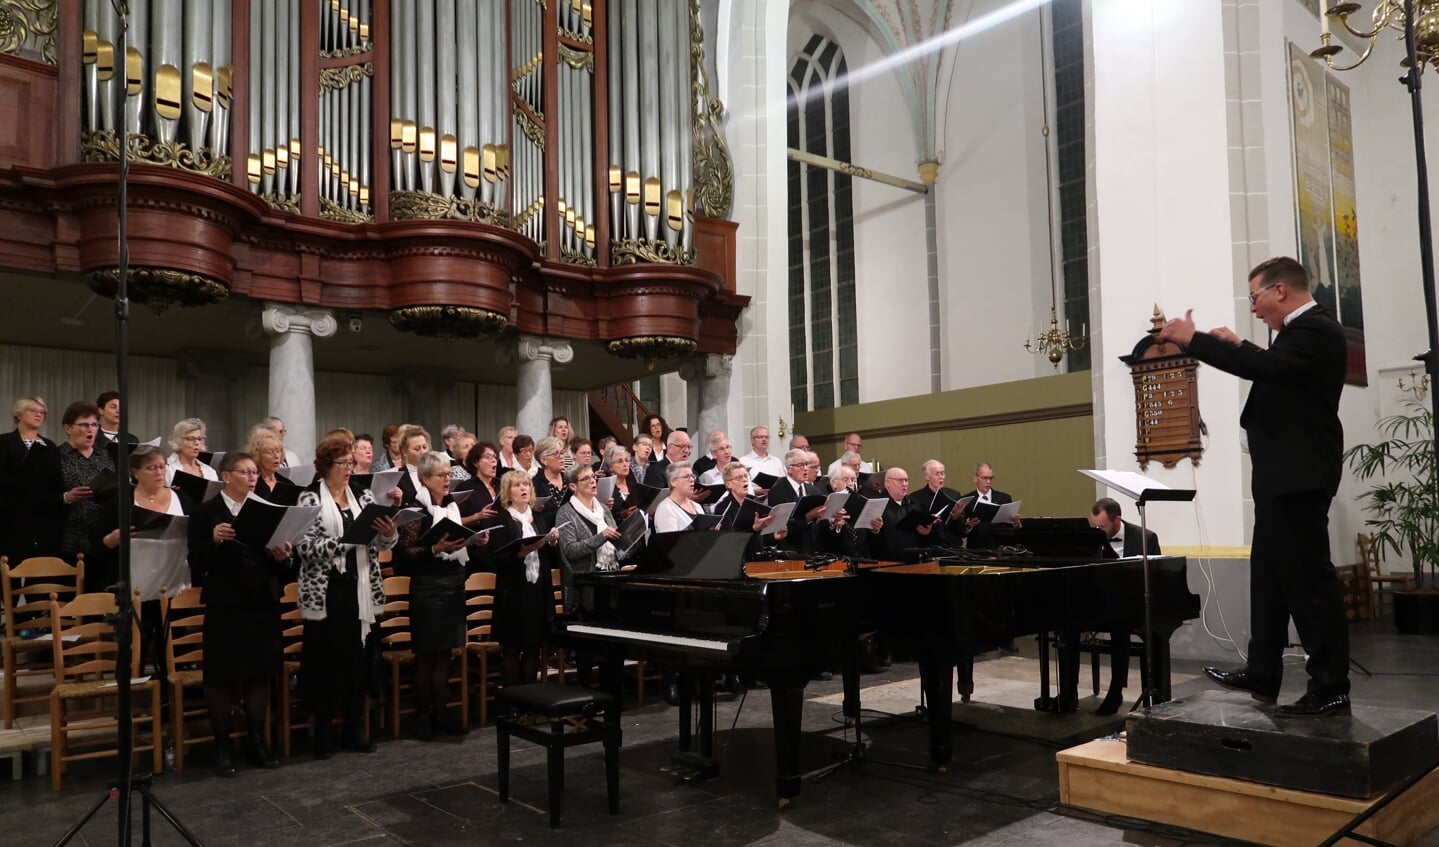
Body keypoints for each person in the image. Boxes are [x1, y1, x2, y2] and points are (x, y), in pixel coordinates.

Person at [1158, 256, 1350, 717]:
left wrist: (1196, 341)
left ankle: (1329, 686)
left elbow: (1269, 369)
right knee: (1270, 579)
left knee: (1307, 584)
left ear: (1280, 290)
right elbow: (1273, 365)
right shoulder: (1296, 335)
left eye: (1256, 297)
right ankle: (1262, 672)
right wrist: (1240, 343)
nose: (1255, 307)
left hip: (1299, 475)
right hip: (1282, 475)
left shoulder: (1318, 329)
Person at [294, 430, 398, 757]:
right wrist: (344, 542)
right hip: (327, 590)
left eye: (352, 463)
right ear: (327, 464)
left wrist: (389, 534)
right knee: (327, 662)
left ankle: (354, 728)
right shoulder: (309, 498)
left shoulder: (362, 497)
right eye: (344, 463)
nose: (350, 469)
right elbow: (305, 547)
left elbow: (379, 544)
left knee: (357, 662)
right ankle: (324, 731)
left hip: (360, 586)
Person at [188, 451, 291, 775]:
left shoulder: (265, 509)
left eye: (254, 473)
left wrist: (282, 556)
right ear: (225, 475)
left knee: (259, 676)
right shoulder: (206, 513)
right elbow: (195, 564)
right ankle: (222, 746)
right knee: (221, 678)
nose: (252, 478)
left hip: (261, 601)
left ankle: (256, 741)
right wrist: (214, 541)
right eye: (245, 472)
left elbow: (285, 567)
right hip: (225, 604)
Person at [393, 451, 485, 739]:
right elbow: (402, 555)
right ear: (424, 479)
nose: (447, 480)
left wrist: (473, 539)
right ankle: (423, 719)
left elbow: (455, 543)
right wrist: (435, 549)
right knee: (426, 657)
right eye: (441, 476)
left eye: (448, 475)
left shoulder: (451, 505)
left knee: (445, 656)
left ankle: (441, 713)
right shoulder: (414, 509)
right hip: (428, 588)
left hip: (453, 585)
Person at [1081, 497, 1162, 715]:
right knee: (1067, 628)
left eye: (1102, 526)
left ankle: (1117, 692)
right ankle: (1068, 696)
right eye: (1095, 525)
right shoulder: (1094, 538)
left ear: (1117, 519)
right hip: (1104, 602)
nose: (1098, 530)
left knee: (1120, 628)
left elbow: (1157, 577)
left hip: (1135, 605)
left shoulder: (1146, 538)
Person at [493, 470, 559, 686]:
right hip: (512, 591)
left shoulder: (538, 517)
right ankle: (513, 702)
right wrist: (519, 554)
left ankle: (530, 700)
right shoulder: (503, 518)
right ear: (507, 491)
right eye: (517, 485)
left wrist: (551, 542)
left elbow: (549, 557)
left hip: (537, 590)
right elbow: (497, 559)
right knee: (512, 649)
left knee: (534, 647)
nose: (523, 488)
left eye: (526, 485)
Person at [56, 400, 115, 590]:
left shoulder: (105, 456)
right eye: (84, 425)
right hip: (71, 537)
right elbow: (40, 497)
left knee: (101, 598)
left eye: (94, 424)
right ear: (68, 428)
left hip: (103, 539)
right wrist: (66, 496)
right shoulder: (56, 457)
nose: (90, 429)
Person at [0, 396, 60, 563]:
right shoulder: (4, 442)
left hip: (43, 515)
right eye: (33, 410)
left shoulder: (50, 446)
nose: (38, 415)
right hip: (12, 515)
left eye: (42, 412)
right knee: (11, 566)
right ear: (18, 414)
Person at [958, 462, 1015, 550]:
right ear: (975, 478)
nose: (988, 482)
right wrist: (969, 526)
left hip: (999, 551)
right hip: (976, 552)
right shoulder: (967, 500)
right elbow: (961, 532)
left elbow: (1010, 529)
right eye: (985, 478)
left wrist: (1014, 522)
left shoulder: (1004, 499)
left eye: (990, 478)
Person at [652, 462, 707, 532]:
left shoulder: (697, 506)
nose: (692, 480)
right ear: (673, 482)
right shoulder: (666, 508)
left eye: (693, 476)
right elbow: (670, 540)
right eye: (686, 477)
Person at [166, 418, 219, 486]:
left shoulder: (210, 471)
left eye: (200, 439)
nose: (197, 443)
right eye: (191, 439)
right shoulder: (166, 468)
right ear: (178, 440)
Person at [246, 428, 292, 502]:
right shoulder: (251, 484)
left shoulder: (288, 484)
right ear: (257, 455)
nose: (276, 456)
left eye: (278, 451)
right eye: (270, 452)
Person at [393, 424, 432, 507]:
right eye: (417, 449)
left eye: (424, 447)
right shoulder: (397, 478)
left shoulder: (435, 472)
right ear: (404, 452)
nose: (423, 452)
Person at [531, 436, 569, 509]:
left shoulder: (569, 479)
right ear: (544, 460)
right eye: (556, 454)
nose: (561, 457)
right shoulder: (535, 485)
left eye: (562, 453)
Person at [602, 445, 638, 520]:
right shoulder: (606, 488)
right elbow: (603, 516)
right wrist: (621, 515)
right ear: (610, 467)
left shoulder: (634, 484)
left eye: (627, 460)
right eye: (620, 461)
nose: (625, 464)